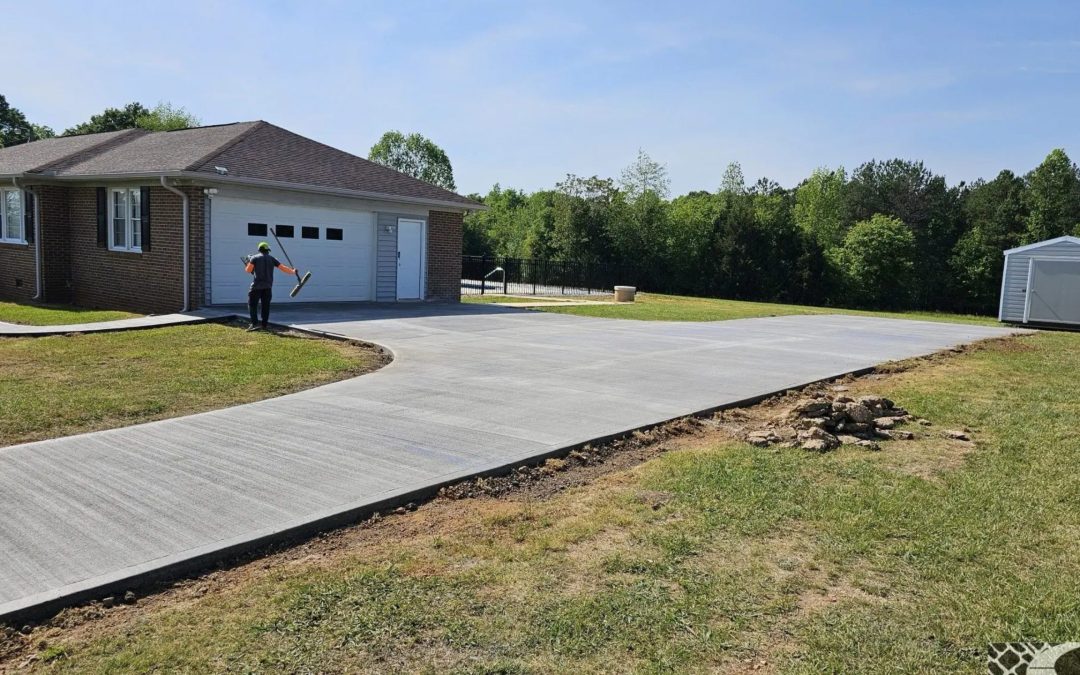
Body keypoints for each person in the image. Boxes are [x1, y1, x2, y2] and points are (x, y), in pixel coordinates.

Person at [243, 242, 297, 331]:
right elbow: (283, 268)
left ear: (259, 249)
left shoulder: (254, 258)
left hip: (256, 287)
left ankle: (254, 324)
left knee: (252, 305)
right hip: (268, 287)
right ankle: (264, 325)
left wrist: (248, 263)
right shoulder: (272, 259)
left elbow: (248, 270)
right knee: (266, 306)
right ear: (268, 250)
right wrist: (293, 271)